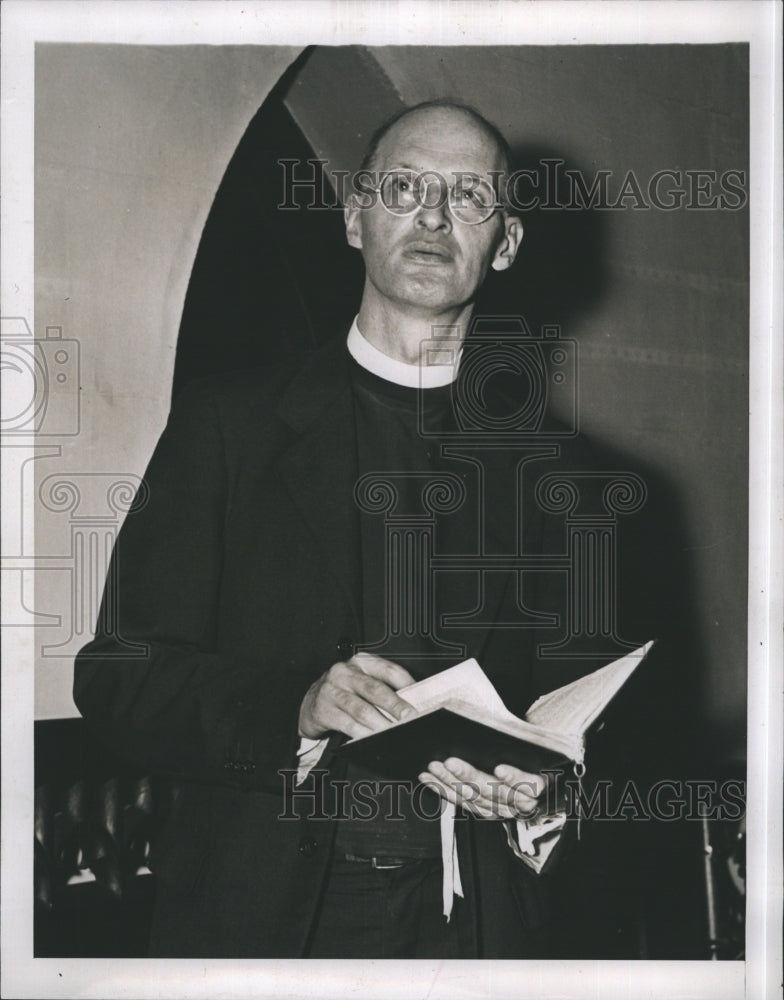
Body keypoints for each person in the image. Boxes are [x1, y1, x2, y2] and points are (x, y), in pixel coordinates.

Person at [74, 100, 654, 958]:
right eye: (403, 187)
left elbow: (595, 735)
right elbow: (120, 679)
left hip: (479, 924)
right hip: (269, 918)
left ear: (506, 243)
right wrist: (297, 710)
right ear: (354, 218)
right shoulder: (228, 426)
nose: (431, 215)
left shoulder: (568, 480)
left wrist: (545, 801)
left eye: (467, 196)